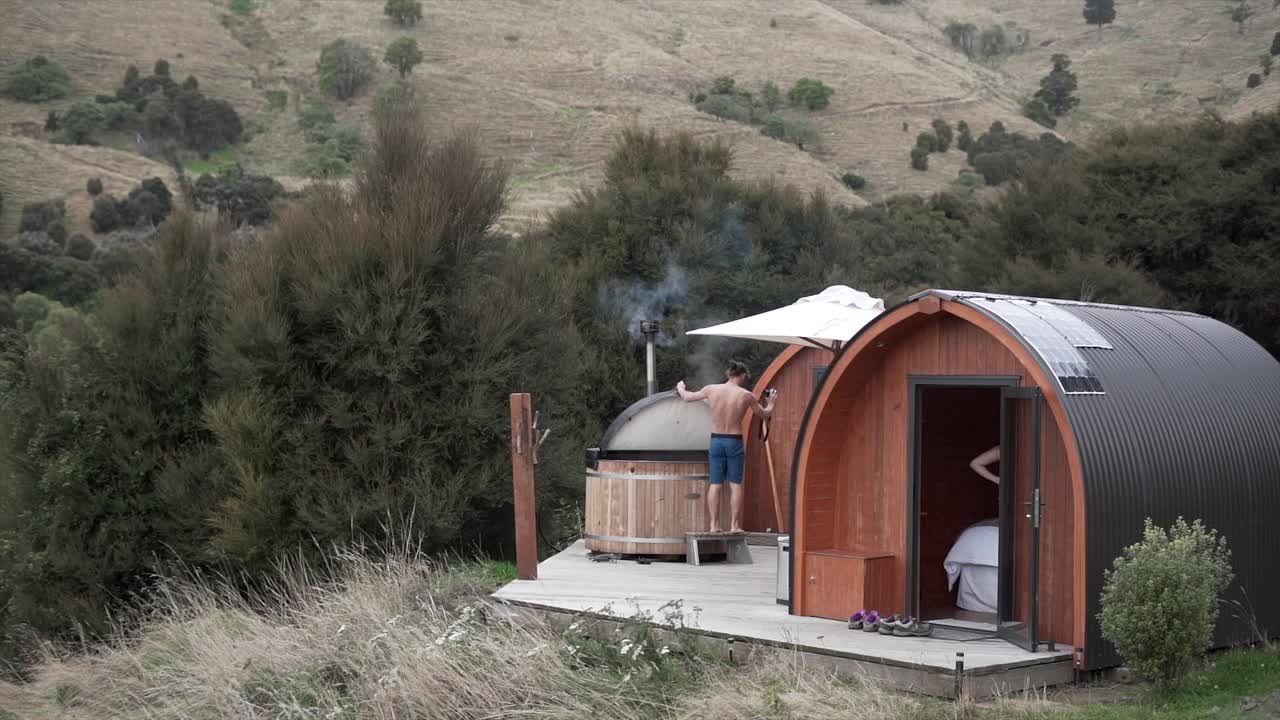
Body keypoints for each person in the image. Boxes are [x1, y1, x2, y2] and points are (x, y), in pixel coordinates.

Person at [676, 361, 776, 534]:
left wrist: (680, 388)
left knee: (715, 484)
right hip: (734, 441)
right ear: (742, 376)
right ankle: (734, 526)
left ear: (729, 374)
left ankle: (713, 525)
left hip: (716, 440)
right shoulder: (746, 395)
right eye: (746, 377)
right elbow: (765, 414)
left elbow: (687, 397)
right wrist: (772, 402)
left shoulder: (711, 389)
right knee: (735, 485)